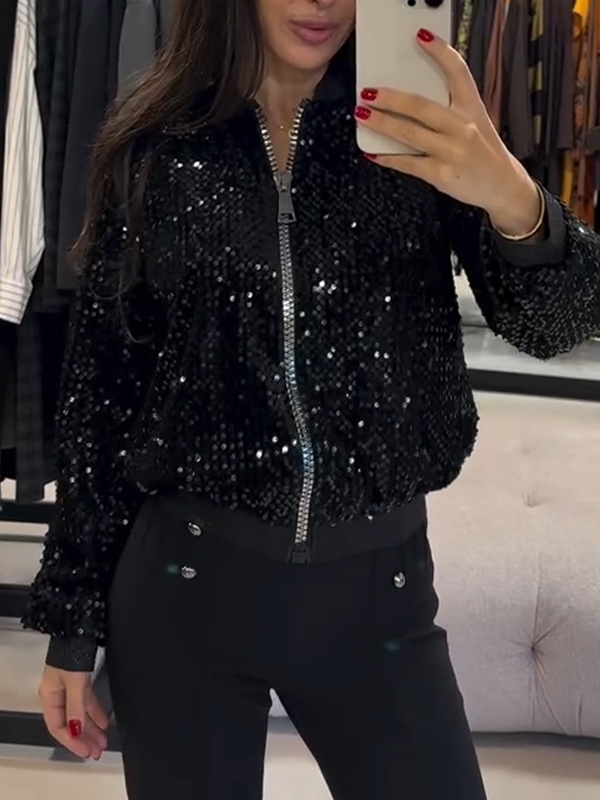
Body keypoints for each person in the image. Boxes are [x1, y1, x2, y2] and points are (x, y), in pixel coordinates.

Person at [23, 0, 600, 798]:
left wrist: (513, 200)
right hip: (184, 590)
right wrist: (72, 625)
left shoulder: (419, 133)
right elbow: (103, 397)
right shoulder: (155, 144)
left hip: (378, 598)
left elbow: (557, 325)